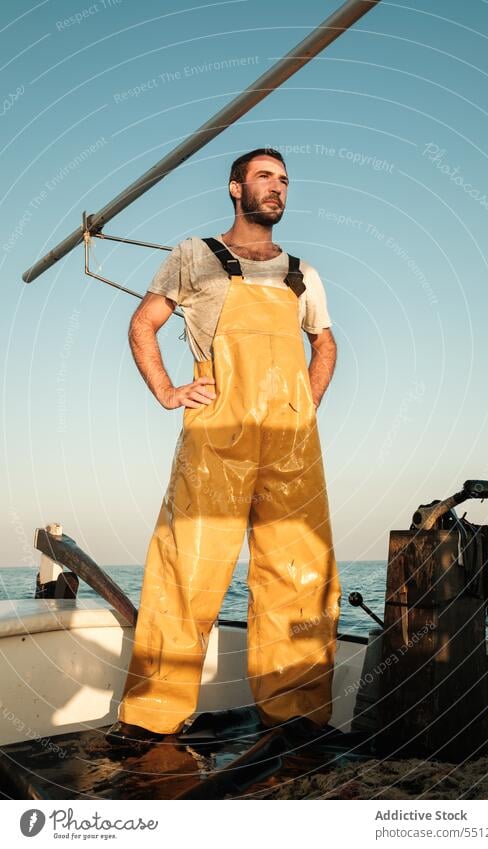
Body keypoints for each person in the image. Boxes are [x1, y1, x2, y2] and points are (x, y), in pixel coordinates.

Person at [106, 147, 341, 747]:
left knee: (301, 574)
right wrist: (167, 391)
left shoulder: (302, 272)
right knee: (188, 571)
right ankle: (152, 723)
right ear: (236, 188)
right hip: (217, 433)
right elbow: (143, 324)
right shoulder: (195, 256)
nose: (277, 188)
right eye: (265, 177)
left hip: (292, 443)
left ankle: (296, 719)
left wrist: (305, 404)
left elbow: (326, 344)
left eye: (284, 180)